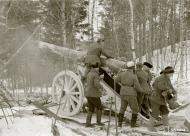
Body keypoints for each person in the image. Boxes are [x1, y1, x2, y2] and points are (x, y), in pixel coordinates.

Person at [114, 61, 144, 128]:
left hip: (123, 92)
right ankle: (133, 124)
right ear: (133, 68)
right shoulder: (134, 76)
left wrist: (118, 74)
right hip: (131, 93)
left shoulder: (122, 74)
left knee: (122, 108)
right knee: (135, 109)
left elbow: (115, 80)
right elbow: (137, 87)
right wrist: (142, 91)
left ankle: (119, 124)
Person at [148, 66, 175, 131]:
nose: (172, 75)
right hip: (156, 98)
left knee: (165, 111)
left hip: (162, 99)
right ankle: (150, 127)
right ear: (168, 73)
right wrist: (168, 89)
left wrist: (174, 91)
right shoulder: (161, 77)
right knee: (155, 112)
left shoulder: (167, 78)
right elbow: (160, 86)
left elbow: (170, 85)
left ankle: (166, 127)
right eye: (171, 74)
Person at [85, 63, 104, 127]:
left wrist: (99, 79)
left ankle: (88, 123)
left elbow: (91, 82)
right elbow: (96, 84)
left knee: (91, 108)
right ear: (96, 68)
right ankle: (99, 122)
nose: (98, 69)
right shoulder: (95, 74)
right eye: (98, 67)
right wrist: (101, 87)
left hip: (88, 94)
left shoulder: (89, 73)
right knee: (99, 107)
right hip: (94, 94)